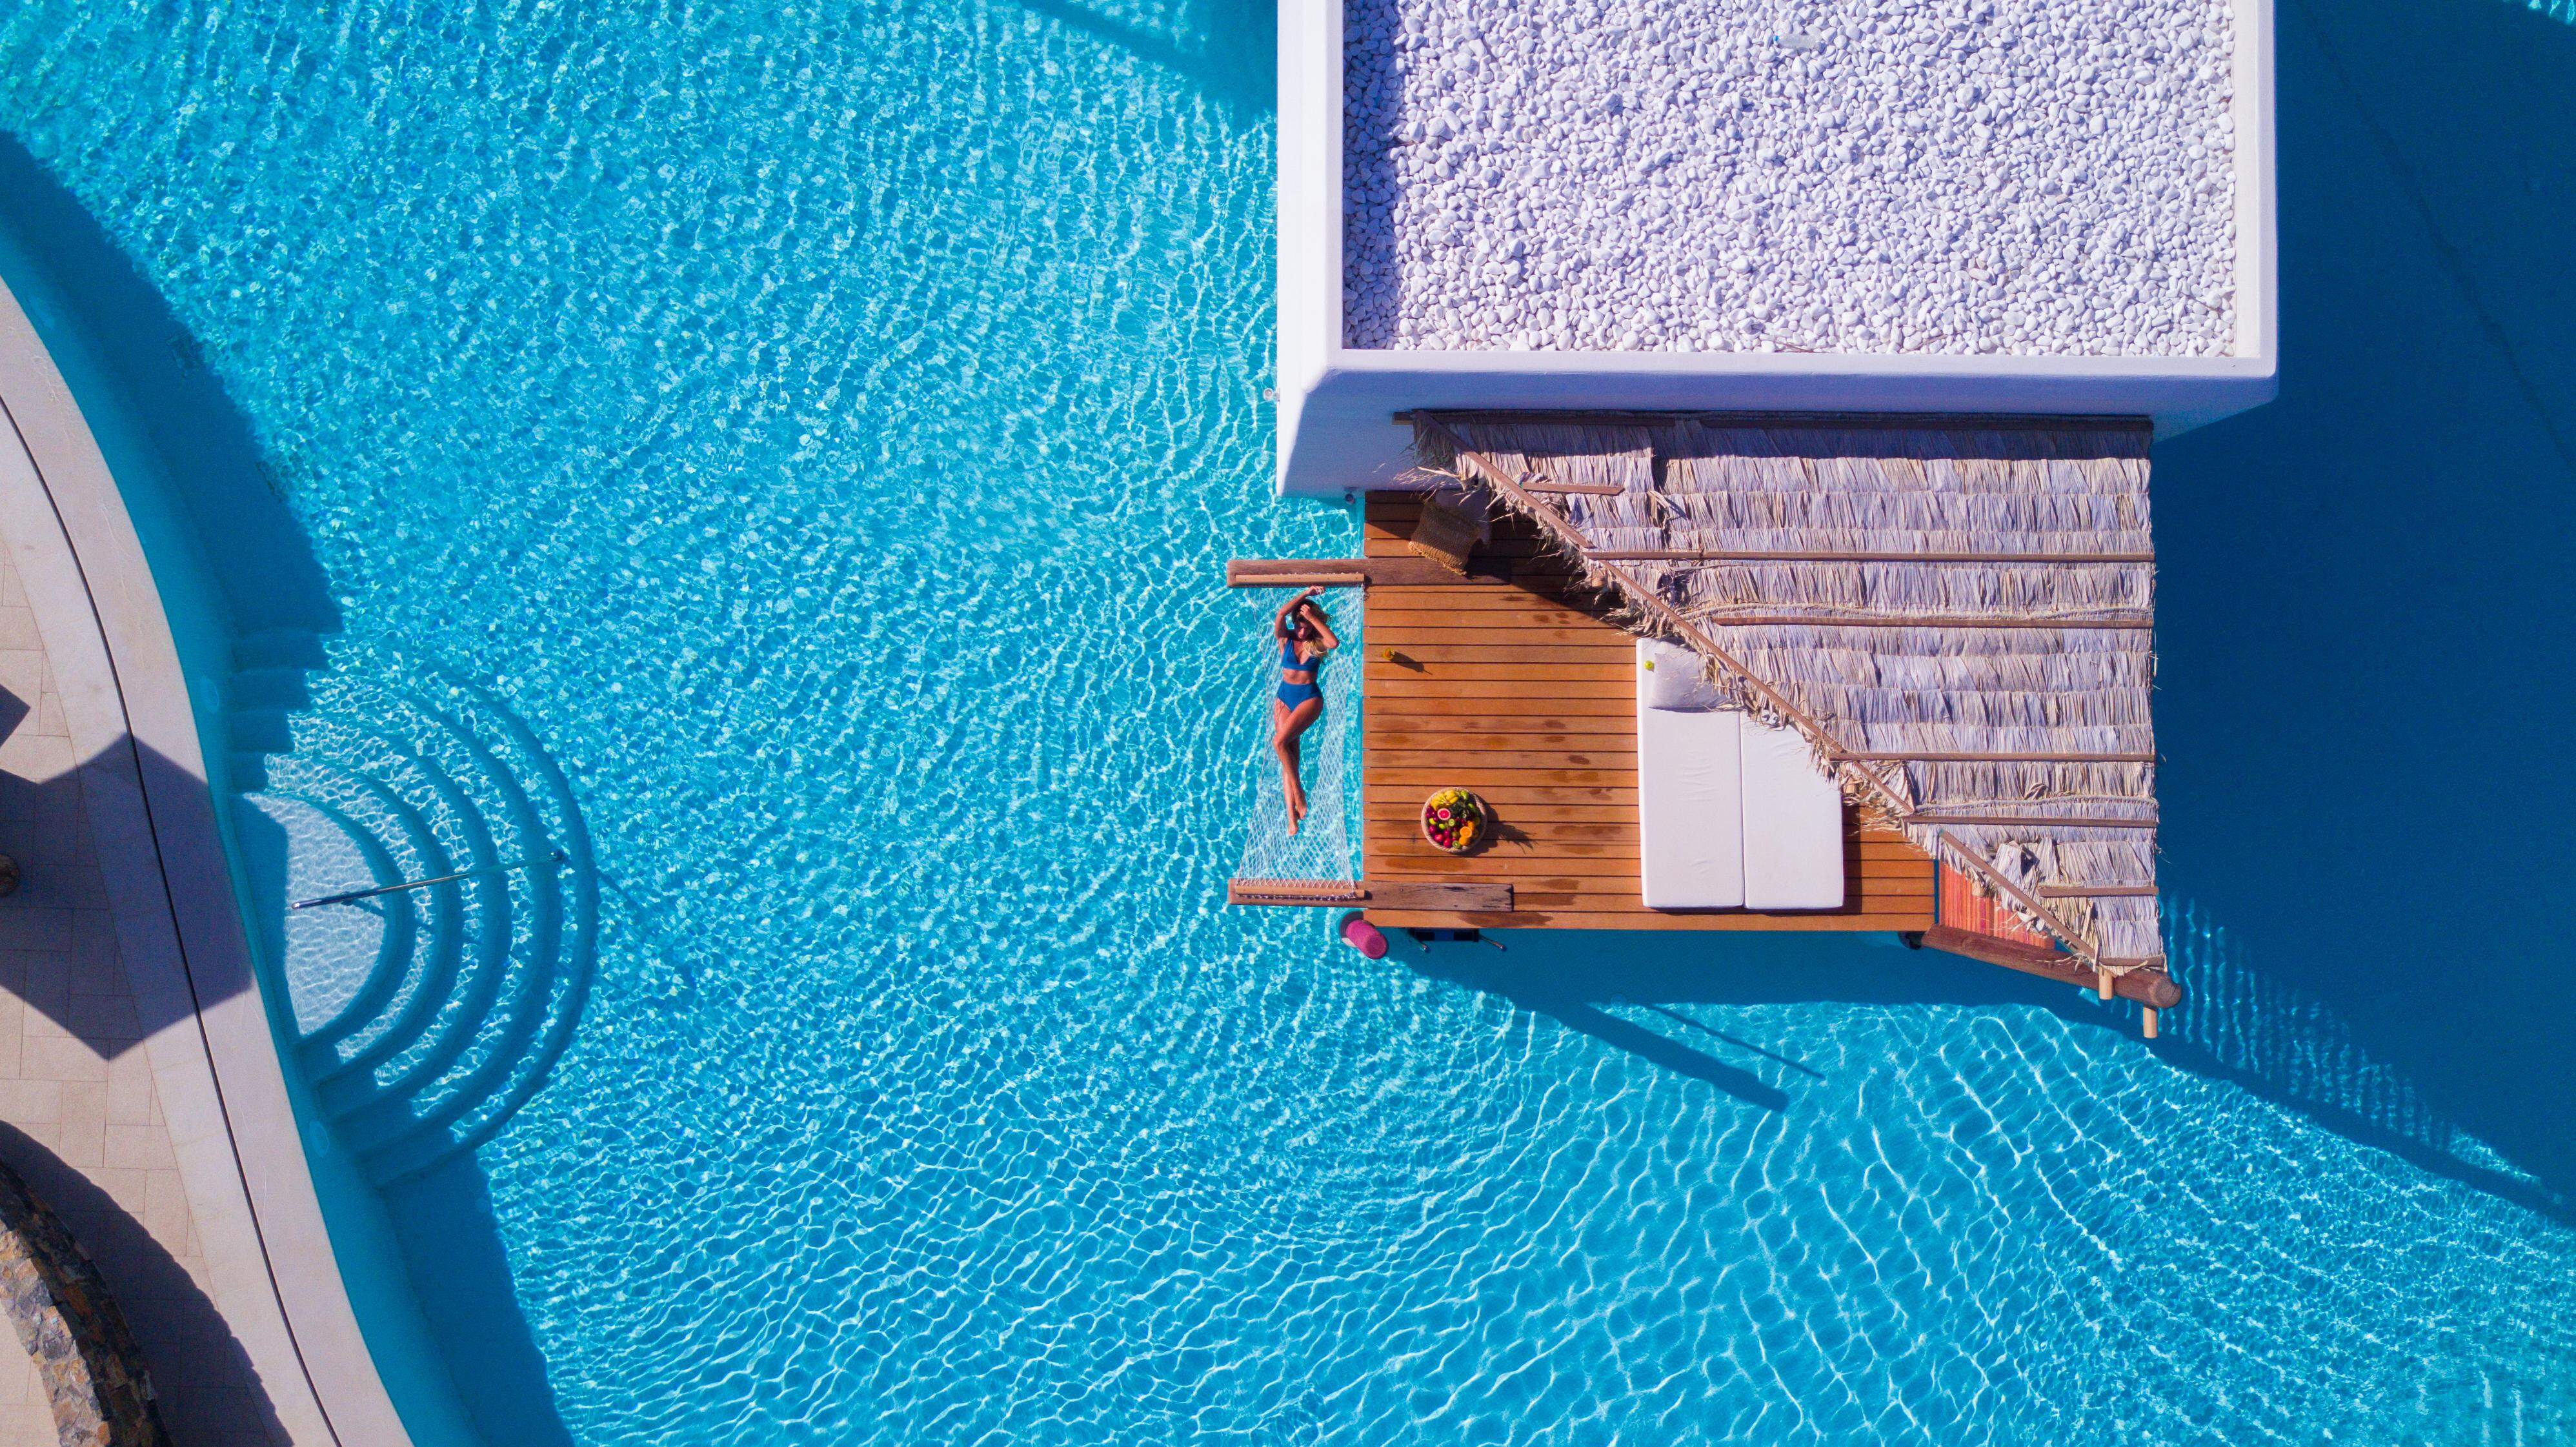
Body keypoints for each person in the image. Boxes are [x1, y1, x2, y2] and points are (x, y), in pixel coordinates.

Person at [1271, 585, 1339, 833]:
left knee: (1278, 743)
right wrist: (1305, 595)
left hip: (1308, 699)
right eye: (1299, 622)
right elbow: (1280, 615)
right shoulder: (1285, 638)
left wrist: (1313, 617)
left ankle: (1299, 793)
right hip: (1284, 698)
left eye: (1307, 623)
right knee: (1290, 758)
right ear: (1295, 620)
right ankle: (1291, 817)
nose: (1303, 628)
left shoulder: (1317, 642)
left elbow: (1334, 642)